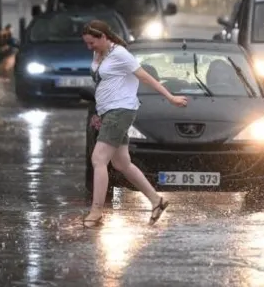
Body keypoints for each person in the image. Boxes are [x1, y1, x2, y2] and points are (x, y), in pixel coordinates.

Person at [81, 19, 189, 227]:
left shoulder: (120, 54)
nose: (89, 47)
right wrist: (98, 112)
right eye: (87, 44)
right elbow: (104, 85)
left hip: (120, 110)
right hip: (108, 111)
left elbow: (146, 78)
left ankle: (96, 211)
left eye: (92, 43)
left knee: (98, 159)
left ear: (103, 37)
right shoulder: (99, 53)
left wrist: (171, 97)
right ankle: (156, 200)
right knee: (121, 163)